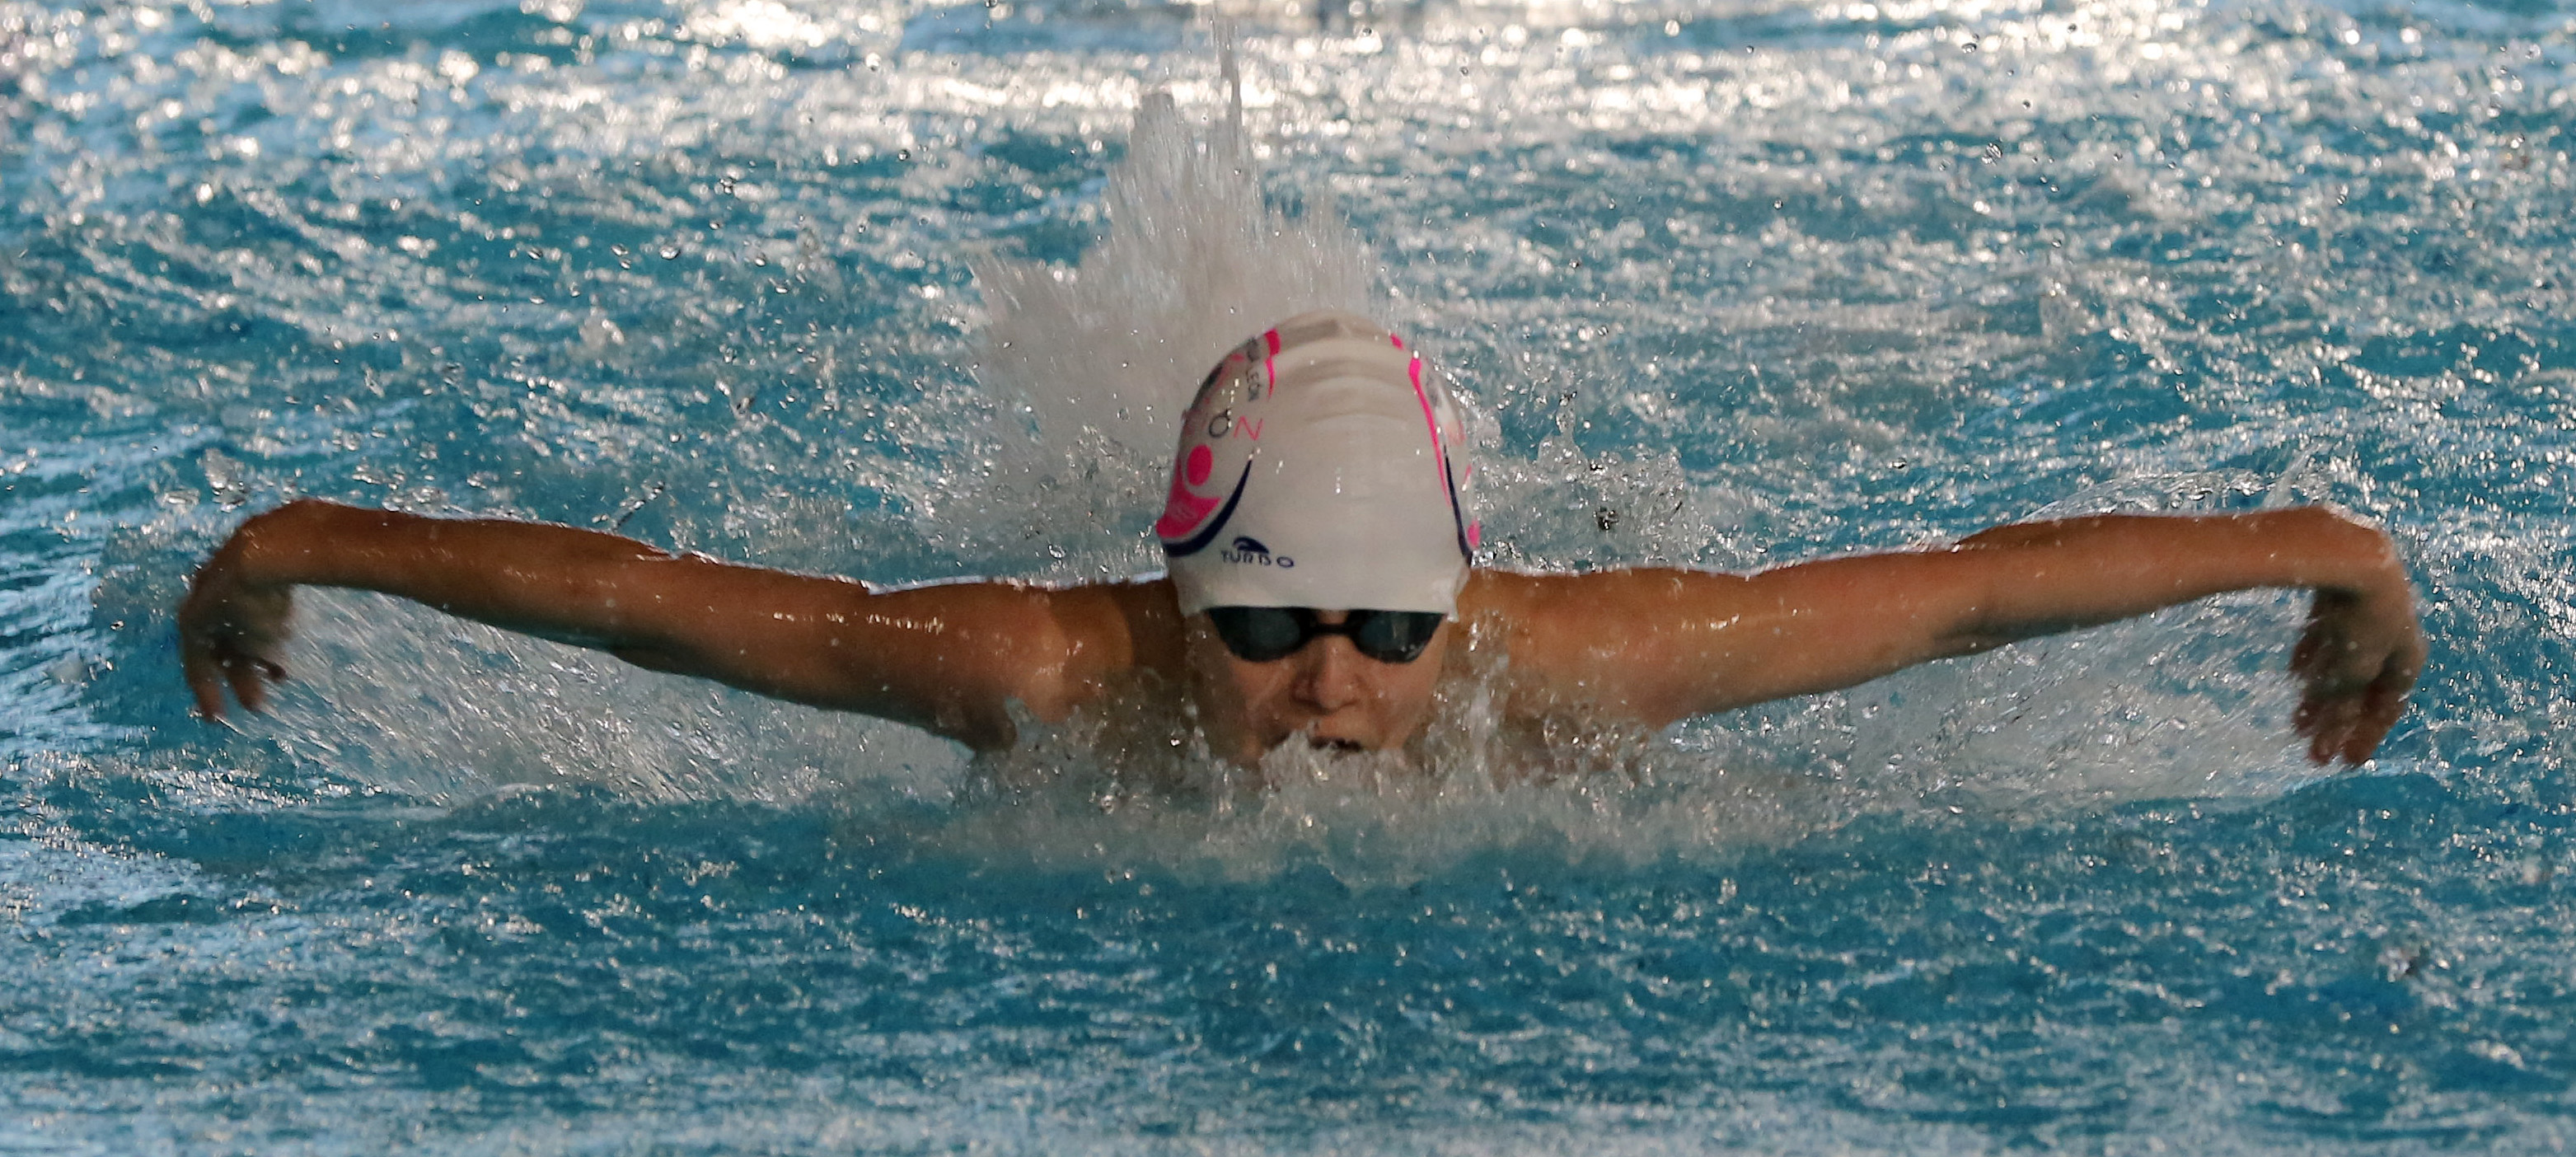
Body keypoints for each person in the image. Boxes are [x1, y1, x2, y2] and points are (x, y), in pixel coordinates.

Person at [179, 310, 2425, 771]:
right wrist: (297, 540)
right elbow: (657, 604)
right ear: (1172, 595)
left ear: (1461, 604)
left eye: (1380, 627)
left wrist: (2318, 546)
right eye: (1262, 625)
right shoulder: (1042, 670)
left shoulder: (1589, 658)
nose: (1332, 684)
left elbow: (1962, 594)